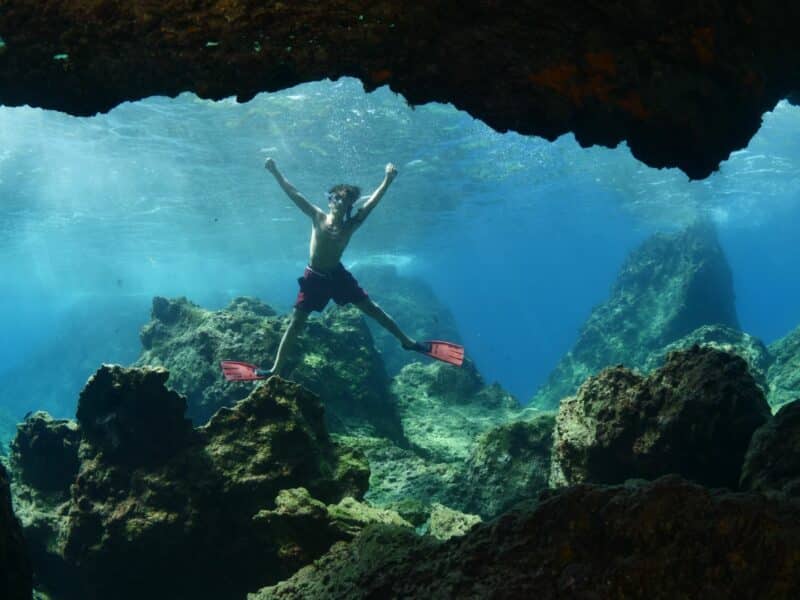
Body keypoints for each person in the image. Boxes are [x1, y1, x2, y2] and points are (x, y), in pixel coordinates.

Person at [257, 158, 426, 376]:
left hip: (337, 275)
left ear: (348, 206)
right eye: (334, 197)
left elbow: (371, 204)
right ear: (329, 200)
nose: (337, 201)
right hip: (315, 277)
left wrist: (388, 180)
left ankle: (407, 341)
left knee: (372, 309)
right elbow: (294, 193)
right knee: (296, 323)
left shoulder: (350, 225)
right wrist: (275, 171)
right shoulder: (317, 216)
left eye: (342, 199)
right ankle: (275, 369)